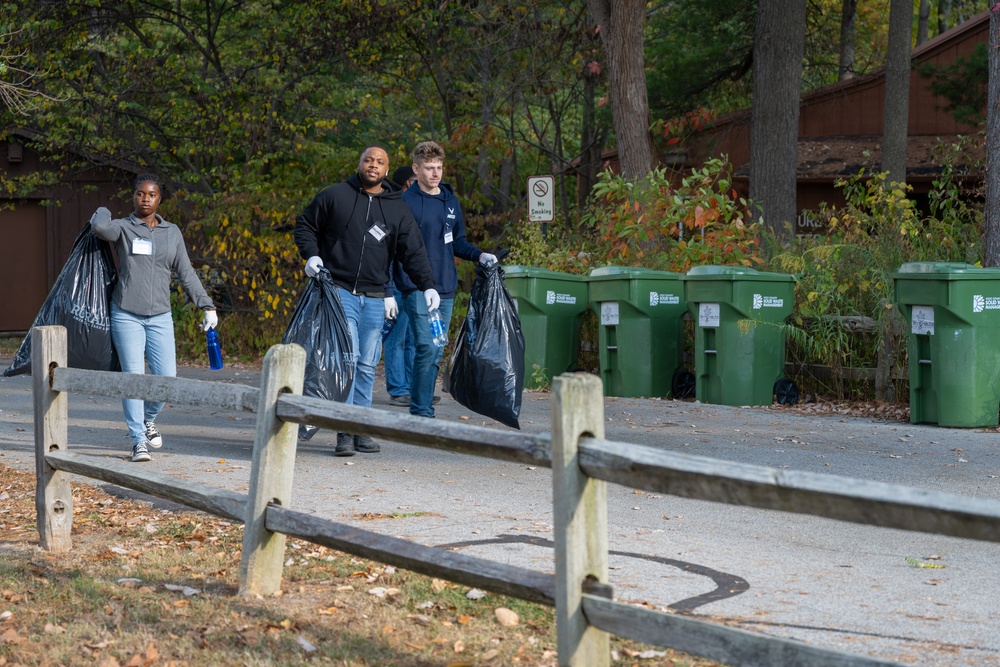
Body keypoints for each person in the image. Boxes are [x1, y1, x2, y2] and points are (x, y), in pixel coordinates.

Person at [294, 145, 440, 456]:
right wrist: (312, 256)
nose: (373, 165)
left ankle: (361, 428)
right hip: (339, 290)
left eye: (380, 162)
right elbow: (305, 225)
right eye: (369, 160)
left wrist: (427, 285)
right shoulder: (335, 196)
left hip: (374, 296)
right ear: (360, 163)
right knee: (348, 359)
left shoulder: (397, 208)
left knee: (366, 365)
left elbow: (413, 251)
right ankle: (345, 431)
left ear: (387, 170)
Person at [92, 174, 218, 463]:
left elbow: (186, 272)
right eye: (140, 193)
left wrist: (206, 305)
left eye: (151, 194)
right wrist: (103, 209)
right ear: (133, 196)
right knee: (134, 378)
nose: (145, 199)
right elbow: (99, 227)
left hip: (160, 315)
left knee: (167, 379)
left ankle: (147, 419)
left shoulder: (171, 232)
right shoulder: (123, 227)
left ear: (160, 199)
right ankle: (138, 441)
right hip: (126, 314)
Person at [392, 141, 496, 419]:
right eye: (429, 168)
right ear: (416, 169)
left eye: (439, 167)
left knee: (437, 347)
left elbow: (457, 242)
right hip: (414, 285)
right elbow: (394, 246)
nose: (435, 173)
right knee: (426, 345)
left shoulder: (450, 201)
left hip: (445, 287)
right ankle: (421, 411)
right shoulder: (404, 202)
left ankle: (421, 403)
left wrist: (480, 255)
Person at [383, 165, 417, 405]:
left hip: (413, 283)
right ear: (407, 182)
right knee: (397, 338)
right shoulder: (395, 206)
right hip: (397, 283)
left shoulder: (413, 204)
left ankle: (412, 387)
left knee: (412, 338)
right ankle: (398, 389)